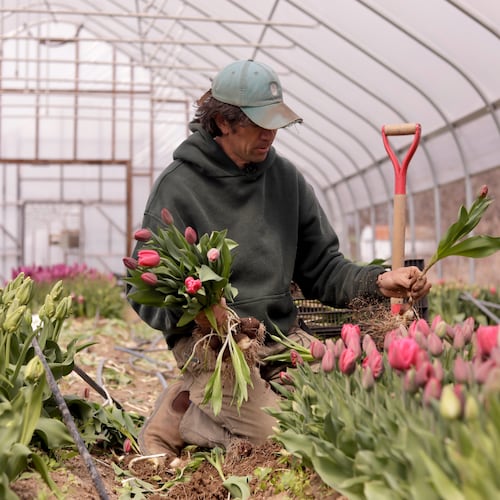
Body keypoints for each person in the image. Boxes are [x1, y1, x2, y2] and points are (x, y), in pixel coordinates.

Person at [127, 59, 431, 463]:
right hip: (216, 347)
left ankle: (200, 404)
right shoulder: (179, 188)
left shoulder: (287, 180)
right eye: (258, 124)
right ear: (221, 122)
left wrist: (379, 282)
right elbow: (142, 289)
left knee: (336, 412)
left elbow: (324, 269)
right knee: (282, 433)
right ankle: (183, 417)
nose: (270, 133)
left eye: (275, 122)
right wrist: (201, 314)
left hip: (281, 337)